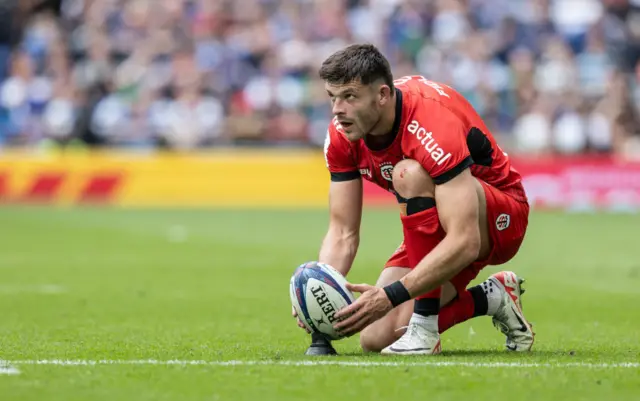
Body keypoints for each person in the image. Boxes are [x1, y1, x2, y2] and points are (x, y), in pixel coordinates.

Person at [293, 43, 534, 356]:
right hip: (436, 221)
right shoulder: (342, 133)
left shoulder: (430, 119)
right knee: (376, 337)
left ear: (382, 95)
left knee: (408, 174)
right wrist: (318, 288)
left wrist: (390, 295)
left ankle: (424, 329)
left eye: (350, 97)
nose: (338, 109)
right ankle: (493, 297)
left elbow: (465, 240)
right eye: (332, 97)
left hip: (499, 214)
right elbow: (342, 232)